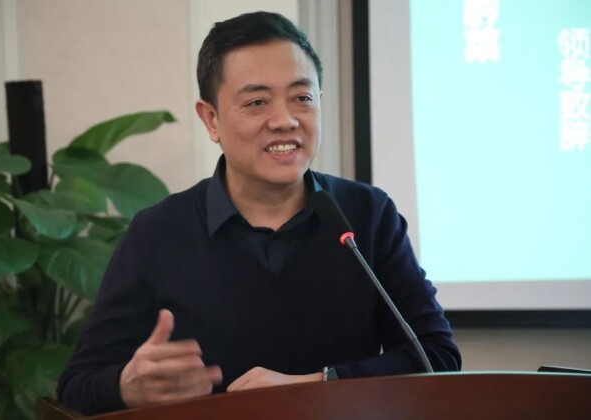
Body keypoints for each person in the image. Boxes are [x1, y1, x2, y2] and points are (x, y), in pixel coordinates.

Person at [57, 11, 461, 415]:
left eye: (302, 98)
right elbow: (77, 385)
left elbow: (436, 356)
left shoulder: (367, 215)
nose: (285, 120)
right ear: (211, 119)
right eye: (257, 102)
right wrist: (128, 386)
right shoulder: (158, 232)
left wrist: (318, 384)